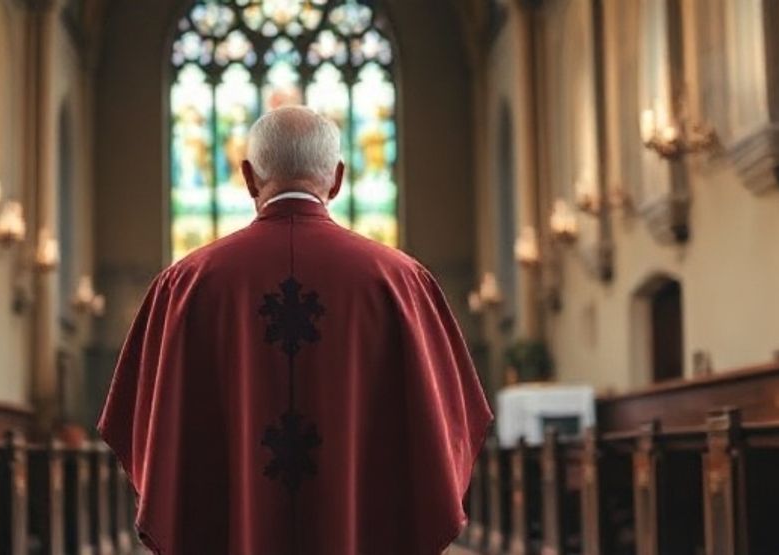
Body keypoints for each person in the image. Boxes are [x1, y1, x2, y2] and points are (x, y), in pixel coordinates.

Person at [98, 106, 492, 555]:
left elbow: (141, 428)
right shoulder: (401, 282)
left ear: (247, 177)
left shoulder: (184, 285)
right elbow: (451, 428)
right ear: (338, 178)